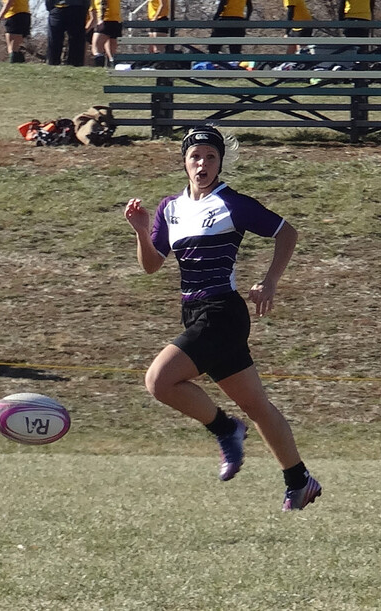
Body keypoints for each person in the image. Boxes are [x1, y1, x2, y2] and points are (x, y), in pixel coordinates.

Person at [122, 125, 322, 512]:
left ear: (220, 163)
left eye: (211, 157)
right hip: (193, 311)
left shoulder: (233, 203)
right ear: (184, 162)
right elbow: (150, 266)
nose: (203, 164)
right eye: (196, 157)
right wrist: (142, 232)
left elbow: (287, 233)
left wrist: (270, 281)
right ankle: (300, 482)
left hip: (222, 312)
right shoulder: (171, 208)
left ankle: (225, 429)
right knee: (258, 406)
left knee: (159, 381)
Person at [47, 0, 89, 66]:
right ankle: (53, 63)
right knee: (54, 39)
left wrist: (84, 8)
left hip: (77, 8)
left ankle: (75, 65)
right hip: (57, 7)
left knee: (77, 39)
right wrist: (51, 8)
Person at [88, 0, 121, 67]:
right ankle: (111, 67)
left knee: (96, 47)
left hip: (106, 19)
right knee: (111, 50)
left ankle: (99, 67)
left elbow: (103, 3)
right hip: (116, 19)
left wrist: (101, 19)